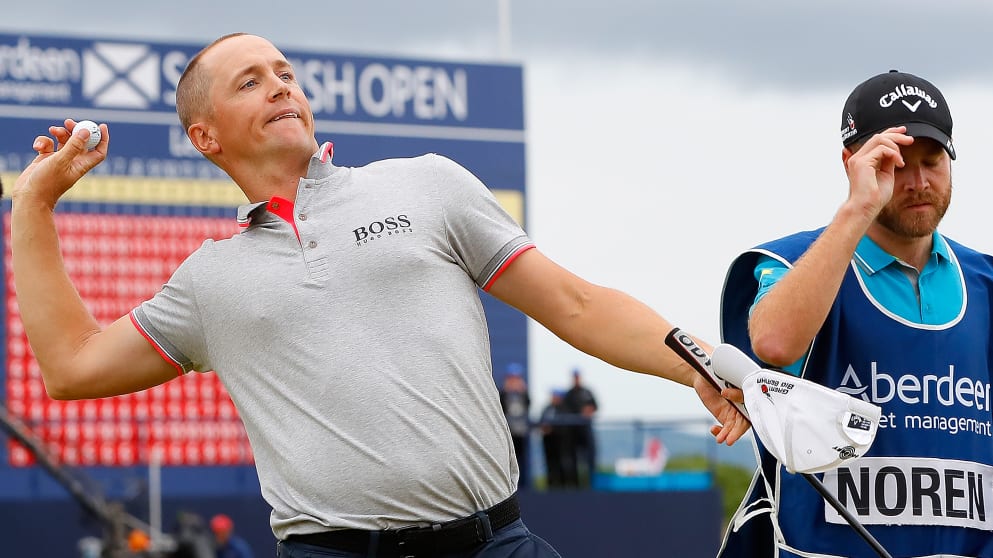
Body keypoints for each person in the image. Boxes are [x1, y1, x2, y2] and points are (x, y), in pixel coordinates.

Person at [10, 33, 747, 558]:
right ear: (206, 137)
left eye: (285, 72)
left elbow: (576, 303)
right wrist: (34, 205)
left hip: (494, 543)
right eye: (250, 82)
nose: (281, 86)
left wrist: (700, 364)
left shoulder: (426, 185)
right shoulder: (210, 280)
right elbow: (71, 366)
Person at [719, 70, 993, 558]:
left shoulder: (984, 281)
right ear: (852, 163)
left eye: (932, 162)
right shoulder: (793, 262)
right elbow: (774, 344)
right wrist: (858, 208)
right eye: (896, 164)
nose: (918, 182)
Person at [563, 368, 598, 488]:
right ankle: (575, 486)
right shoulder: (569, 394)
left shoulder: (587, 392)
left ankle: (591, 484)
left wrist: (589, 410)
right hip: (573, 431)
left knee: (590, 458)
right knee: (573, 460)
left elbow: (595, 406)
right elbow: (565, 410)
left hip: (586, 429)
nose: (576, 379)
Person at [498, 363, 531, 489]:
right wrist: (506, 391)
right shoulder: (503, 393)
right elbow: (500, 408)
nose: (514, 381)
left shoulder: (523, 393)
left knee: (522, 460)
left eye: (517, 378)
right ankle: (508, 487)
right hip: (508, 433)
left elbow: (528, 406)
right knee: (507, 461)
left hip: (521, 432)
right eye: (512, 378)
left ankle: (524, 486)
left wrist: (523, 392)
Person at [537, 389, 571, 490]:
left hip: (560, 441)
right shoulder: (547, 408)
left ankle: (563, 485)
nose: (553, 398)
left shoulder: (564, 408)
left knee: (561, 463)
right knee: (549, 463)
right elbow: (541, 421)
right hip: (548, 440)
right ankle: (550, 485)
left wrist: (553, 429)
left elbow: (565, 425)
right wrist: (544, 428)